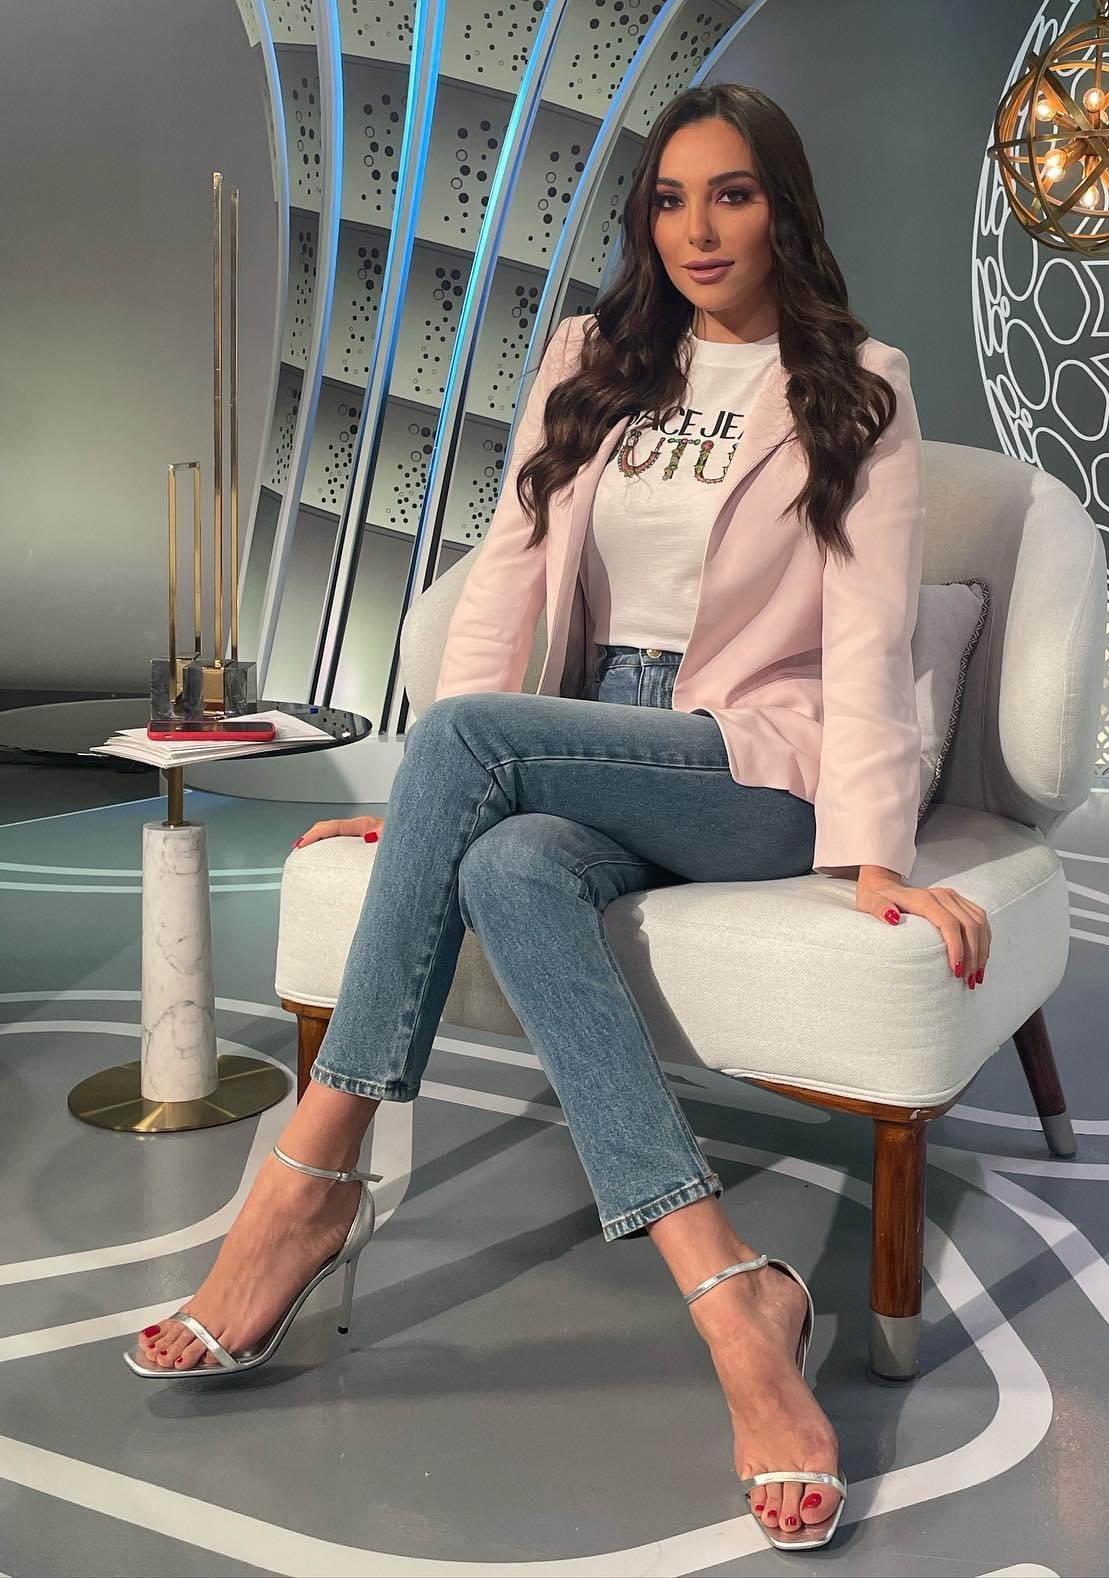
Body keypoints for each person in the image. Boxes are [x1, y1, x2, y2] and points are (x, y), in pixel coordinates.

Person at [127, 83, 990, 1552]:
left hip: (749, 760)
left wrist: (873, 859)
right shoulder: (594, 363)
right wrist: (431, 808)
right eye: (670, 199)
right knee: (514, 864)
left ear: (783, 208)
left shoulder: (859, 384)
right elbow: (508, 579)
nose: (698, 229)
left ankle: (306, 1182)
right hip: (593, 731)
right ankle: (734, 1293)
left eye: (731, 194)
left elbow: (867, 631)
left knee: (471, 748)